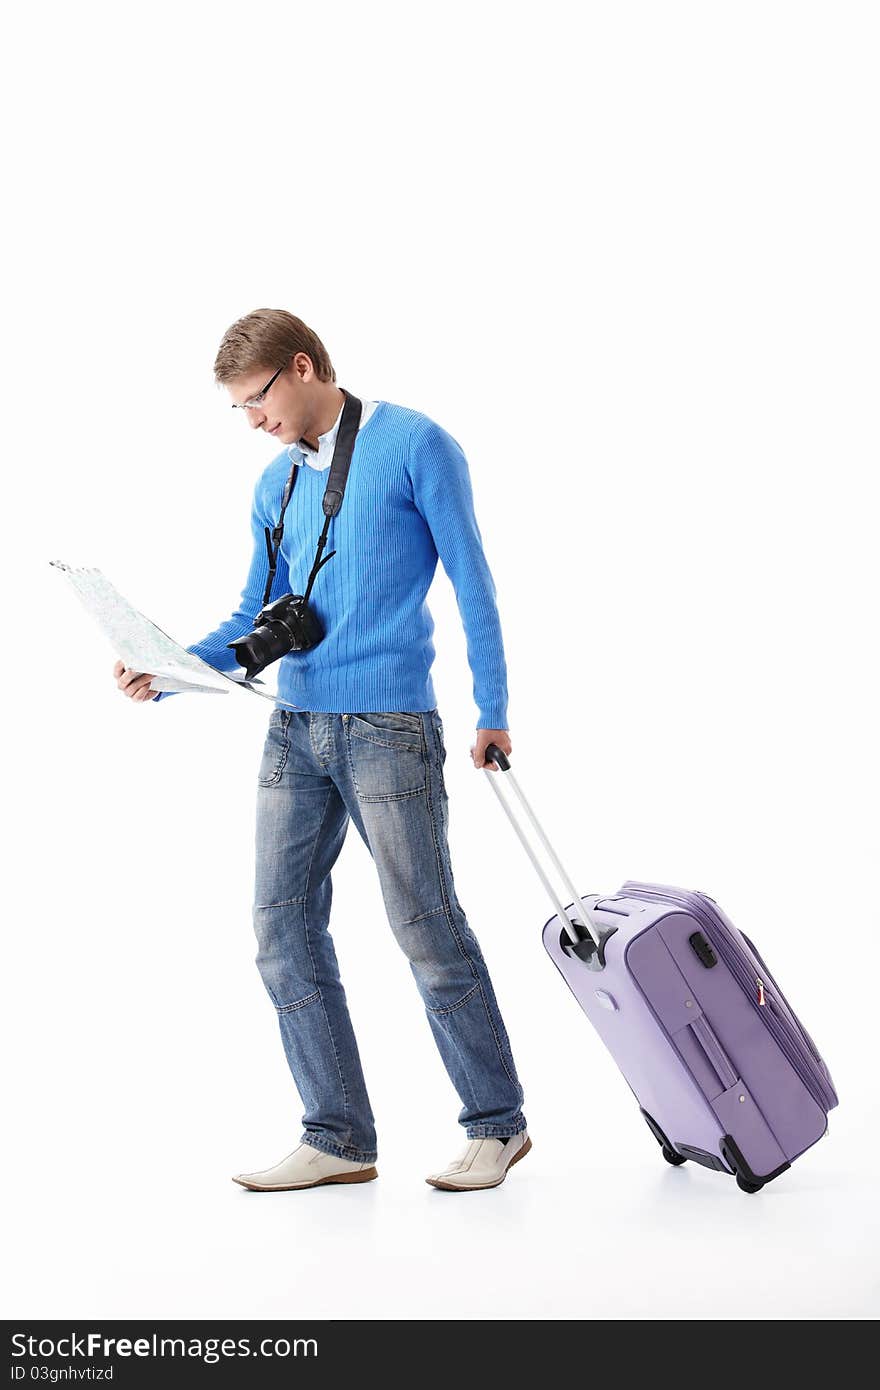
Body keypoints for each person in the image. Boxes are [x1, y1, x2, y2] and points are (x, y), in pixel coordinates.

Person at [114, 308, 530, 1192]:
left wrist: (491, 707)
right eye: (240, 409)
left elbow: (474, 580)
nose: (252, 421)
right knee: (279, 927)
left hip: (389, 726)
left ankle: (496, 1124)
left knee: (425, 925)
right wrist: (170, 666)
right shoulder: (274, 485)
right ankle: (338, 1136)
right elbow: (254, 619)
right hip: (294, 725)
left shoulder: (417, 443)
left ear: (302, 368)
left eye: (257, 400)